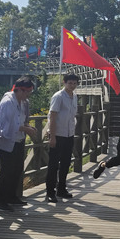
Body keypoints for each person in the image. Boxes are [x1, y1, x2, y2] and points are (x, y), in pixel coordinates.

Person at [0, 76, 37, 212]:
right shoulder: (7, 102)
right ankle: (0, 201)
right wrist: (25, 129)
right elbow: (6, 126)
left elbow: (23, 120)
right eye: (27, 92)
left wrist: (27, 126)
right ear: (20, 90)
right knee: (7, 171)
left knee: (17, 169)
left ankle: (11, 196)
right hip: (7, 140)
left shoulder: (24, 102)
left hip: (19, 139)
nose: (28, 95)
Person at [46, 74, 79, 202]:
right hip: (58, 133)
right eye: (70, 83)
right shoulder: (58, 96)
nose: (72, 86)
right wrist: (52, 136)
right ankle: (50, 192)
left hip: (69, 134)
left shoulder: (74, 96)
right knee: (53, 164)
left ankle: (61, 189)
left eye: (75, 83)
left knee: (65, 163)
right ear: (64, 82)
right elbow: (53, 116)